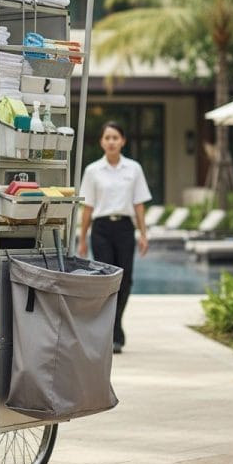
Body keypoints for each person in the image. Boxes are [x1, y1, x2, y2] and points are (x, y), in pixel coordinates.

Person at [77, 121, 151, 354]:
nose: (111, 142)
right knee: (106, 280)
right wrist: (82, 239)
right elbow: (87, 207)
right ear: (101, 141)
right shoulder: (92, 171)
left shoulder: (134, 169)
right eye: (107, 137)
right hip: (101, 230)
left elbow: (139, 204)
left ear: (123, 141)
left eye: (115, 137)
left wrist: (143, 234)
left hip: (125, 229)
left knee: (126, 280)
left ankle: (115, 326)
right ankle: (111, 333)